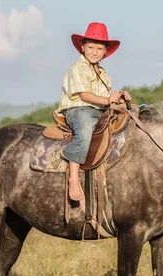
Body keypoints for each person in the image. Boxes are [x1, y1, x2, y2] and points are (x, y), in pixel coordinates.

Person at [57, 22, 132, 201]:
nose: (94, 52)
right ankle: (73, 179)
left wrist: (119, 98)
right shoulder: (78, 68)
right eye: (90, 47)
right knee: (84, 132)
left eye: (99, 48)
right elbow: (84, 95)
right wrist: (107, 100)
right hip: (78, 109)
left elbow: (106, 99)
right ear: (82, 47)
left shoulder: (104, 74)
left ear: (105, 51)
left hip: (98, 111)